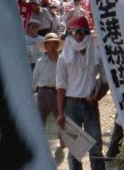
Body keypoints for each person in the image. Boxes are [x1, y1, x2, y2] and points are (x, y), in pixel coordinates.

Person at [55, 16, 107, 170]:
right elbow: (61, 87)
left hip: (90, 105)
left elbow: (105, 81)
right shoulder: (63, 58)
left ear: (87, 34)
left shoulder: (96, 54)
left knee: (96, 145)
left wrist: (98, 96)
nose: (79, 35)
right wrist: (60, 113)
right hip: (71, 105)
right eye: (75, 32)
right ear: (70, 34)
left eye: (83, 31)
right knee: (75, 148)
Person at [33, 33, 62, 123]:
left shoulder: (62, 61)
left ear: (57, 46)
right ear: (45, 46)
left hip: (57, 93)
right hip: (42, 93)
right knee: (39, 122)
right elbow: (34, 79)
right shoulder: (40, 62)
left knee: (62, 122)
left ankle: (63, 137)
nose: (52, 46)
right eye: (49, 44)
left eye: (54, 43)